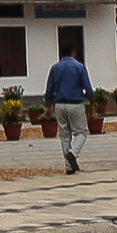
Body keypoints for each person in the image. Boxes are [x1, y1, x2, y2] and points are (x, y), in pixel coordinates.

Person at [44, 44, 93, 174]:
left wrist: (48, 108)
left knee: (65, 136)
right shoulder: (79, 67)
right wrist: (92, 104)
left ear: (61, 52)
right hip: (76, 104)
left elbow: (49, 90)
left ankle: (69, 167)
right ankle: (73, 153)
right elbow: (88, 88)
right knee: (81, 133)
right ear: (73, 51)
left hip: (59, 104)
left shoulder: (55, 68)